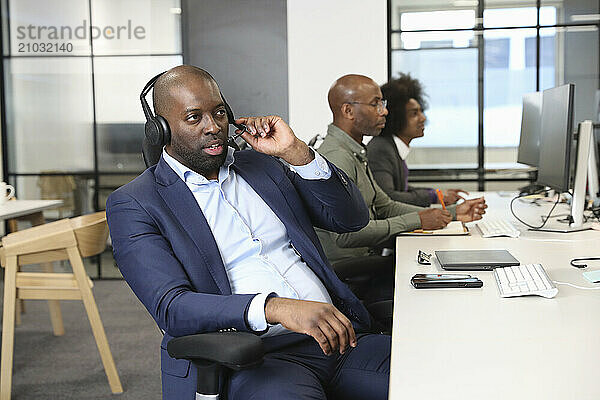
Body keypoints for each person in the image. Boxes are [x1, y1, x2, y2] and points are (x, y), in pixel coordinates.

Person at [106, 65, 390, 400]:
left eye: (219, 113)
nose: (213, 127)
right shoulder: (136, 203)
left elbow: (350, 219)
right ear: (161, 130)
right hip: (257, 358)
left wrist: (295, 152)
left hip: (341, 339)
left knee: (441, 377)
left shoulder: (263, 166)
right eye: (194, 118)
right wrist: (276, 308)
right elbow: (173, 307)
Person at [316, 74, 486, 265]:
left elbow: (386, 206)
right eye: (375, 105)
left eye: (383, 103)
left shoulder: (354, 151)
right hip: (353, 269)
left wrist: (452, 213)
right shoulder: (337, 157)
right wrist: (418, 220)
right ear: (348, 111)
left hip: (369, 256)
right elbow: (346, 236)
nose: (384, 112)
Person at [367, 74, 468, 207]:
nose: (423, 118)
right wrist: (433, 196)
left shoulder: (391, 146)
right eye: (414, 114)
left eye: (421, 112)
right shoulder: (381, 149)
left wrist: (436, 193)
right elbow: (389, 197)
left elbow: (402, 188)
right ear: (396, 117)